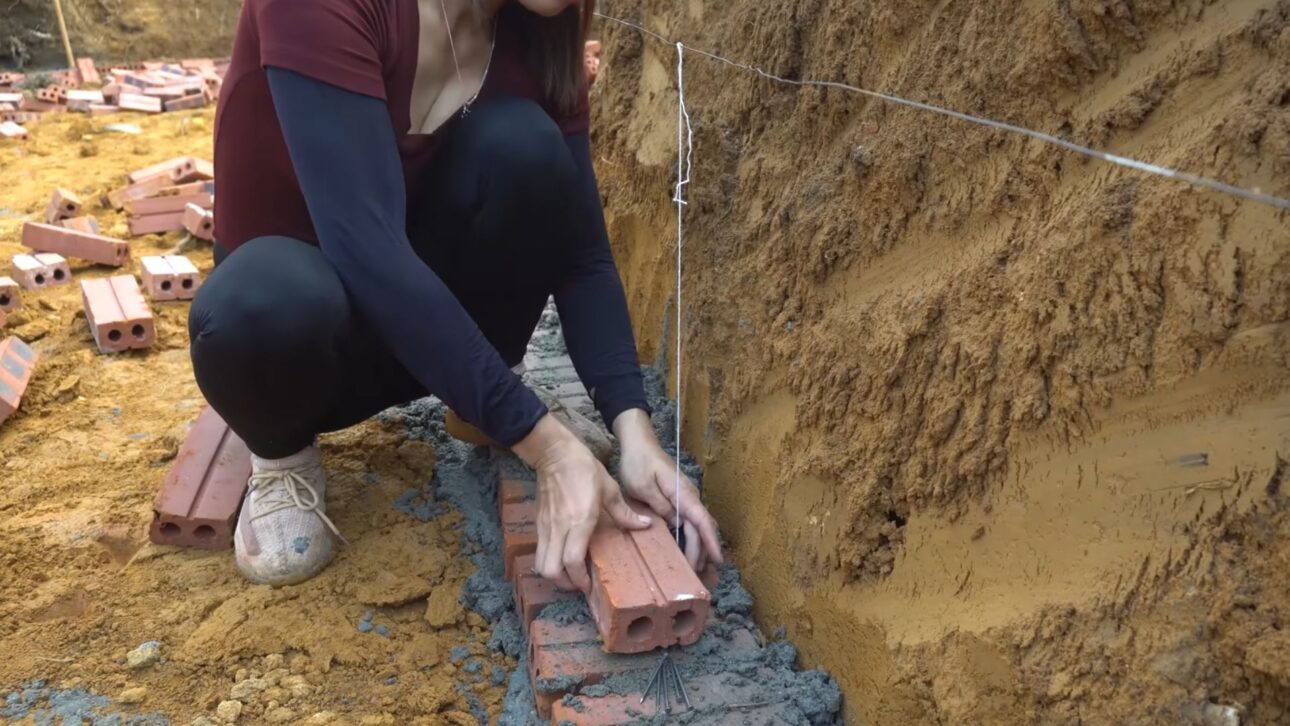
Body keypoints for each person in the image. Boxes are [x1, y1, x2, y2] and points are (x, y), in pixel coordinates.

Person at [188, 0, 723, 591]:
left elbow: (582, 254)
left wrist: (635, 434)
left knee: (527, 149)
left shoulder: (544, 28)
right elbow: (365, 250)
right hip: (310, 341)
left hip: (439, 332)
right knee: (258, 305)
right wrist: (548, 447)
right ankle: (281, 455)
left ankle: (483, 401)